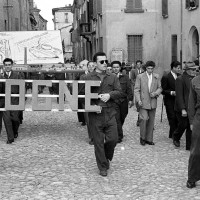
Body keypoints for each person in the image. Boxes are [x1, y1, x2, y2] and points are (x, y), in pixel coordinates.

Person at [79, 52, 122, 177]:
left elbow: (119, 92)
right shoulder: (87, 78)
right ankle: (102, 166)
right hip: (95, 115)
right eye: (101, 62)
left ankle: (107, 156)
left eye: (105, 61)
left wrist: (110, 95)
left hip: (110, 113)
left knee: (113, 139)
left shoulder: (112, 77)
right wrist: (92, 105)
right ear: (95, 64)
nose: (104, 64)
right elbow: (81, 96)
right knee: (98, 142)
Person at [134, 61, 162, 146]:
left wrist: (156, 93)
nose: (150, 70)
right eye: (148, 68)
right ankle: (142, 137)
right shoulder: (140, 77)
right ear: (146, 68)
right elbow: (136, 89)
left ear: (153, 68)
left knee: (151, 121)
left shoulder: (156, 76)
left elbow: (160, 88)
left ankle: (149, 139)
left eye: (151, 68)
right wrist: (138, 100)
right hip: (143, 101)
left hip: (153, 101)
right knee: (144, 119)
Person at [173, 61, 197, 150]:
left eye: (195, 69)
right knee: (183, 125)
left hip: (192, 107)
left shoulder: (195, 79)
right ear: (187, 70)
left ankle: (189, 146)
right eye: (192, 69)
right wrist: (183, 109)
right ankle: (176, 136)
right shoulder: (180, 79)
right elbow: (179, 95)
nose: (194, 71)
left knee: (190, 126)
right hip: (181, 107)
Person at [0, 58, 22, 144]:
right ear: (4, 66)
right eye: (6, 65)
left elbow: (22, 88)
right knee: (7, 119)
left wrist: (21, 100)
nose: (8, 66)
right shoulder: (1, 76)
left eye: (9, 65)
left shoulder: (17, 75)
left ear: (12, 65)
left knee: (15, 118)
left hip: (15, 100)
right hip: (4, 100)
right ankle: (10, 138)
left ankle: (15, 131)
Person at [111, 61, 133, 143]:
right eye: (114, 67)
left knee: (122, 117)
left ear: (120, 68)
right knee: (116, 119)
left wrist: (130, 99)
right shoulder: (110, 77)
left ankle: (118, 129)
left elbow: (129, 88)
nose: (115, 69)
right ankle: (119, 136)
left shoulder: (125, 77)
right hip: (114, 101)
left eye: (117, 67)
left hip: (123, 100)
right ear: (112, 68)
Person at [187, 73, 200, 188]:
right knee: (195, 150)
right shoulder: (195, 81)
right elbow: (191, 103)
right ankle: (192, 178)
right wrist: (191, 121)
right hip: (199, 117)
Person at [161, 61, 181, 138]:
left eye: (180, 68)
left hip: (178, 100)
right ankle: (174, 135)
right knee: (172, 117)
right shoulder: (166, 77)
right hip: (169, 100)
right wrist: (172, 92)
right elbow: (163, 90)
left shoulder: (180, 76)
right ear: (173, 68)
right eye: (178, 68)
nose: (179, 69)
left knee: (177, 118)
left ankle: (172, 133)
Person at [130, 60, 144, 126]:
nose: (138, 65)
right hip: (136, 86)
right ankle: (138, 108)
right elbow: (132, 78)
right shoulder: (133, 71)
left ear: (141, 64)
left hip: (143, 87)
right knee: (137, 99)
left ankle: (140, 119)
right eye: (137, 64)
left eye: (139, 64)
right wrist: (135, 84)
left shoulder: (143, 70)